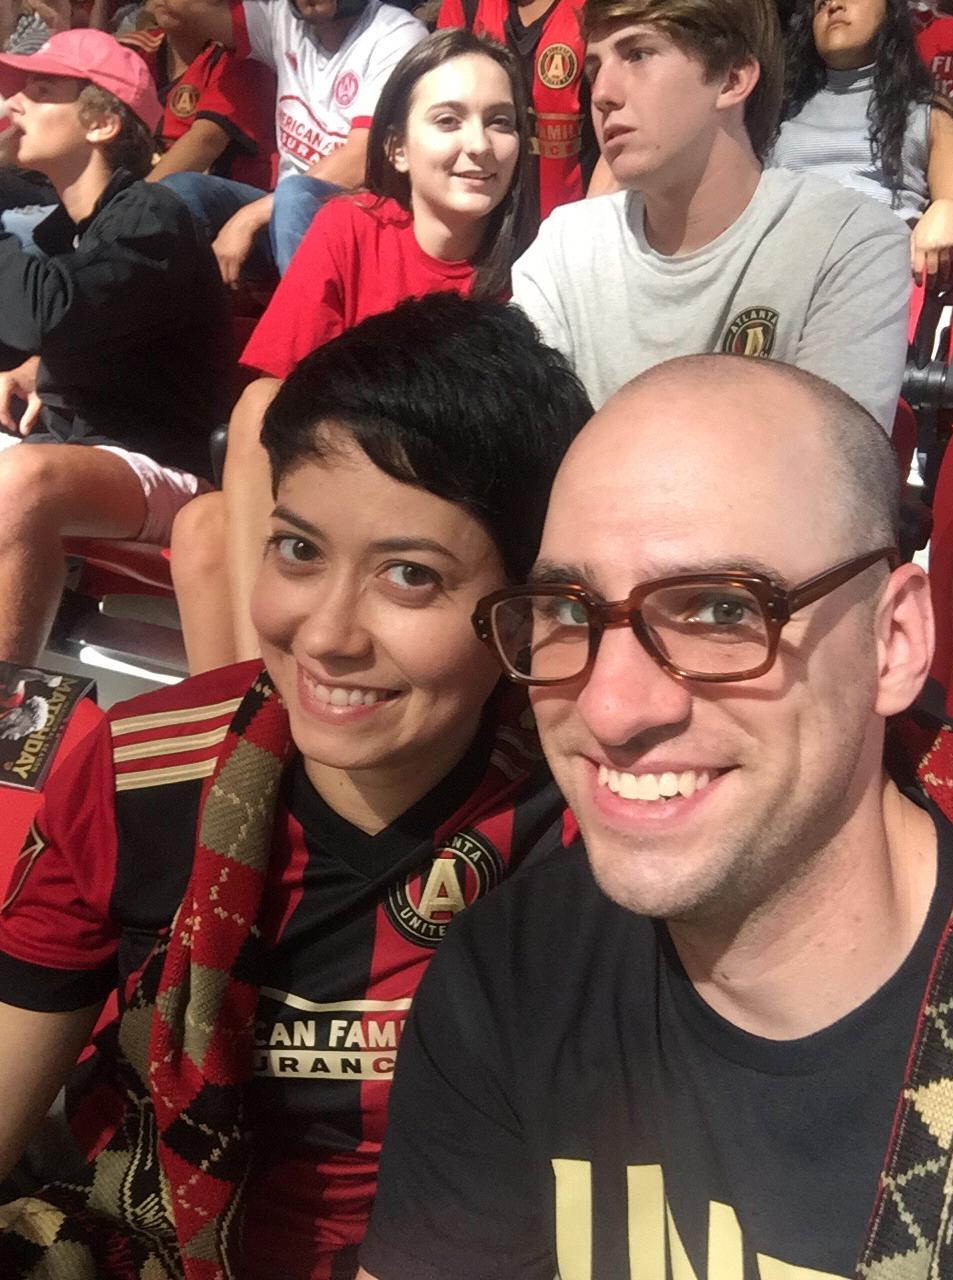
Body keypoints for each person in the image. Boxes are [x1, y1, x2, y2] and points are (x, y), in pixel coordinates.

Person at [0, 293, 593, 1280]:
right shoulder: (140, 771)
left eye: (410, 575)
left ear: (520, 612)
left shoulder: (577, 835)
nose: (325, 634)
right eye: (300, 549)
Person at [356, 353, 953, 1280]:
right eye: (565, 611)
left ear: (893, 642)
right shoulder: (514, 976)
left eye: (719, 609)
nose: (610, 710)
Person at [171, 29, 529, 674]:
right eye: (449, 120)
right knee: (204, 521)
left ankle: (265, 693)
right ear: (396, 147)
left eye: (500, 122)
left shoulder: (533, 271)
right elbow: (274, 408)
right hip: (328, 486)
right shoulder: (350, 228)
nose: (480, 145)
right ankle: (252, 692)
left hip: (434, 516)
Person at [511, 0, 911, 428]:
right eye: (594, 69)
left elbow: (825, 461)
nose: (602, 94)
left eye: (637, 54)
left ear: (732, 78)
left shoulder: (848, 244)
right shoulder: (566, 245)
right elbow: (512, 434)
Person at [0, 28, 233, 668]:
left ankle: (8, 704)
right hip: (83, 456)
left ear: (102, 122)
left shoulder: (154, 214)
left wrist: (36, 351)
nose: (14, 103)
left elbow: (54, 312)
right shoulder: (62, 235)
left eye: (41, 90)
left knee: (21, 483)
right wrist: (26, 368)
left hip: (166, 468)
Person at [158, 0, 427, 281]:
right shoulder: (280, 17)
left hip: (360, 221)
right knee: (179, 192)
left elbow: (362, 159)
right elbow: (184, 6)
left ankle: (308, 309)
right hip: (281, 214)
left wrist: (249, 217)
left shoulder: (396, 33)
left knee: (293, 197)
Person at [774, 0, 953, 288]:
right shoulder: (779, 111)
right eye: (821, 4)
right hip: (780, 272)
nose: (833, 5)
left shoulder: (928, 112)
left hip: (877, 278)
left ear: (890, 11)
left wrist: (949, 207)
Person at [435, 0, 603, 238]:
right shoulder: (465, 6)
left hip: (571, 229)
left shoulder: (595, 9)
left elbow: (621, 124)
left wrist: (591, 226)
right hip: (482, 229)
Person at [118, 0, 277, 190]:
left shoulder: (243, 59)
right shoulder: (131, 49)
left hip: (214, 196)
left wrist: (130, 204)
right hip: (140, 191)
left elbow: (206, 142)